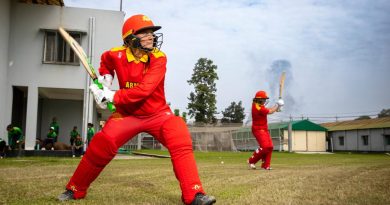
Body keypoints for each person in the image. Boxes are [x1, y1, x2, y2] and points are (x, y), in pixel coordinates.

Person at [58, 14, 216, 205]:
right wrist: (106, 78)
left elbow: (144, 91)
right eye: (145, 33)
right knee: (102, 142)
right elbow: (106, 61)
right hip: (127, 114)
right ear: (130, 38)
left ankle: (194, 195)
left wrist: (111, 96)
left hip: (158, 113)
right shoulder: (115, 53)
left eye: (152, 33)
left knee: (179, 132)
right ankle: (75, 189)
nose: (151, 37)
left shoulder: (159, 58)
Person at [247, 90, 284, 170]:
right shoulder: (257, 107)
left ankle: (266, 166)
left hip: (264, 129)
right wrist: (277, 105)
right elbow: (270, 111)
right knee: (265, 147)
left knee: (270, 147)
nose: (264, 101)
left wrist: (277, 108)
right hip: (258, 129)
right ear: (258, 99)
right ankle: (251, 161)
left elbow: (269, 110)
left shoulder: (259, 105)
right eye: (263, 99)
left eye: (265, 99)